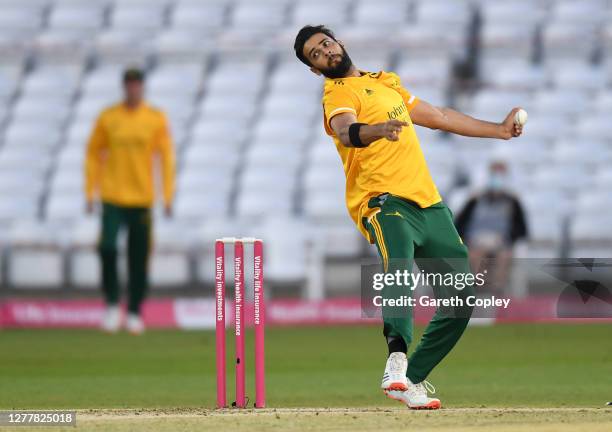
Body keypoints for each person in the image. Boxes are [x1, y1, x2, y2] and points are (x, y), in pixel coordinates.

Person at [294, 25, 524, 409]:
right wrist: (376, 130)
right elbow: (346, 131)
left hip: (428, 204)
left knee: (462, 297)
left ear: (340, 43)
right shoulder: (336, 94)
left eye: (325, 43)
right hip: (382, 201)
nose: (325, 52)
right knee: (397, 261)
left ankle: (411, 379)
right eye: (315, 54)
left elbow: (439, 116)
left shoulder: (385, 82)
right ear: (315, 69)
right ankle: (396, 356)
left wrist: (498, 131)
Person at [84, 68, 176, 335]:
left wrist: (167, 195)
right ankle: (113, 305)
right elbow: (92, 154)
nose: (133, 89)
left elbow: (166, 158)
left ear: (142, 87)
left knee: (139, 258)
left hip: (142, 199)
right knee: (107, 248)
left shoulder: (155, 118)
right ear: (124, 87)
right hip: (112, 196)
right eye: (129, 85)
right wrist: (90, 192)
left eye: (137, 85)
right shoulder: (108, 117)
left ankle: (134, 311)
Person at [455, 161, 529, 291]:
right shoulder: (475, 200)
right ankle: (479, 289)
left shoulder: (512, 201)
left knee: (504, 256)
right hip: (476, 240)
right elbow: (459, 224)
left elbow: (522, 229)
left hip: (501, 240)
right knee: (476, 253)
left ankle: (497, 290)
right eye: (494, 174)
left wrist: (509, 239)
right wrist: (467, 239)